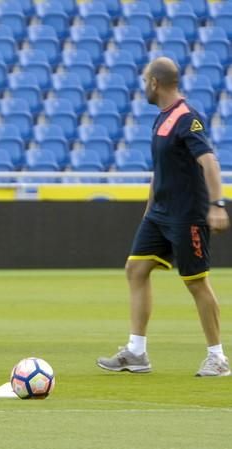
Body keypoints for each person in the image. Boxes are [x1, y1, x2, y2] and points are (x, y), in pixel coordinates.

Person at [97, 57, 231, 377]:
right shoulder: (161, 119)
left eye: (146, 81)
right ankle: (137, 352)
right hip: (159, 215)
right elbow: (160, 171)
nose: (144, 86)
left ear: (155, 83)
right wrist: (148, 210)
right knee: (136, 268)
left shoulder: (187, 118)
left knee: (196, 283)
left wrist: (218, 205)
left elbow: (210, 162)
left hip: (187, 216)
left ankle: (218, 358)